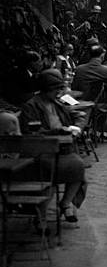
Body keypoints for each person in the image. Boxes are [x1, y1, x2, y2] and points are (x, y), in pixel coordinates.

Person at [19, 69, 87, 223]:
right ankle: (41, 214)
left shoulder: (60, 100)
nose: (59, 92)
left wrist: (77, 127)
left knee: (79, 166)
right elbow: (31, 132)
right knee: (51, 172)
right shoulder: (31, 106)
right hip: (40, 152)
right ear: (45, 90)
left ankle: (65, 202)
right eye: (55, 90)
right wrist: (58, 131)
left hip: (62, 149)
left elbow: (78, 114)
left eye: (60, 89)